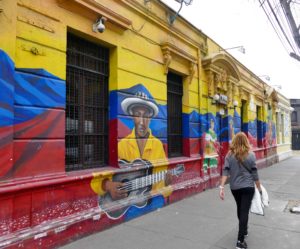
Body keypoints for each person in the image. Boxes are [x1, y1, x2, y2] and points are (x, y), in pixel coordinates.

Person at [91, 91, 172, 219]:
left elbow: (161, 184)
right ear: (132, 117)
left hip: (152, 204)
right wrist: (108, 185)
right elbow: (96, 175)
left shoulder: (157, 145)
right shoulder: (121, 145)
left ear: (150, 119)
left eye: (145, 116)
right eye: (137, 115)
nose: (141, 121)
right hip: (125, 209)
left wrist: (167, 183)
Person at [219, 132, 262, 249]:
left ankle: (244, 229)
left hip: (235, 188)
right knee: (244, 211)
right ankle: (240, 241)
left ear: (234, 141)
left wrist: (221, 187)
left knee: (240, 209)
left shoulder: (229, 156)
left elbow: (226, 171)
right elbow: (255, 174)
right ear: (246, 141)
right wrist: (259, 188)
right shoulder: (251, 155)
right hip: (248, 187)